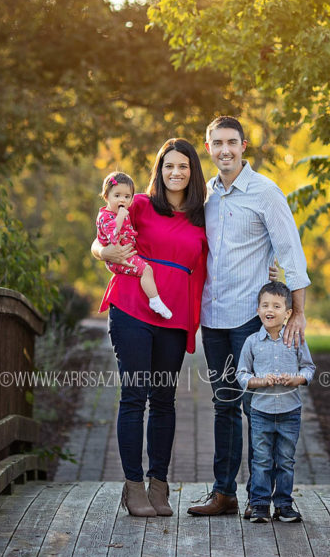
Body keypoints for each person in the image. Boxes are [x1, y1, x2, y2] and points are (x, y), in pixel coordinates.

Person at [187, 115, 311, 518]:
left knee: (256, 406)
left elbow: (291, 253)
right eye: (217, 143)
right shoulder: (204, 195)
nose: (225, 150)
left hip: (250, 320)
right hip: (214, 317)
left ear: (243, 147)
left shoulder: (265, 192)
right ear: (208, 148)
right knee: (223, 404)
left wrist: (297, 313)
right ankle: (224, 494)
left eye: (232, 142)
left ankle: (269, 499)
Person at [90, 139, 208, 517]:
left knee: (163, 401)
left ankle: (160, 483)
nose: (176, 173)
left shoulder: (202, 216)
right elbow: (102, 234)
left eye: (183, 166)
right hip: (132, 309)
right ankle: (133, 485)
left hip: (173, 317)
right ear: (159, 170)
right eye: (169, 166)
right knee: (134, 395)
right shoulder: (138, 203)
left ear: (193, 172)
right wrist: (101, 252)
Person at [236, 281, 315, 523]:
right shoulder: (252, 342)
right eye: (265, 305)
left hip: (290, 411)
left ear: (288, 312)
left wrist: (297, 379)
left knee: (285, 460)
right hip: (261, 411)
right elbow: (241, 373)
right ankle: (259, 504)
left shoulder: (297, 339)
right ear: (258, 309)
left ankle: (283, 504)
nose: (270, 310)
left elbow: (308, 368)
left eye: (277, 306)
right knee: (261, 459)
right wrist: (259, 382)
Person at [96, 171, 173, 319]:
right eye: (117, 195)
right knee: (146, 270)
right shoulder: (106, 216)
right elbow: (112, 235)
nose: (122, 200)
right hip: (118, 258)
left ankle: (154, 299)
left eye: (127, 197)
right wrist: (120, 216)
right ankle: (155, 300)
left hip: (126, 254)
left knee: (146, 270)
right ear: (106, 196)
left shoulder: (120, 212)